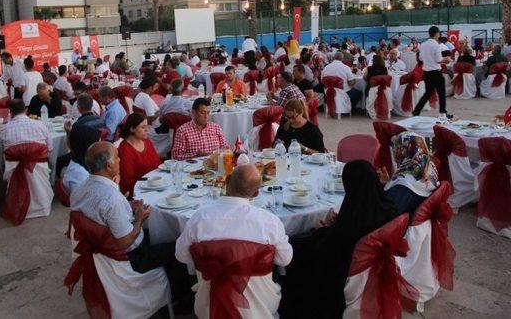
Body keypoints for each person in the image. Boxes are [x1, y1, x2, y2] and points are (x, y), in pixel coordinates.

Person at [70, 141, 191, 304]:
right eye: (118, 157)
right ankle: (180, 299)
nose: (120, 160)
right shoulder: (110, 198)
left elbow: (99, 213)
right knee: (180, 245)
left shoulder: (79, 189)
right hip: (131, 257)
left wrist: (127, 206)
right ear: (108, 165)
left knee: (162, 232)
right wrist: (139, 219)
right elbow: (125, 242)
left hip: (102, 247)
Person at [279, 160, 398, 317]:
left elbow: (326, 250)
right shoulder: (389, 208)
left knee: (295, 249)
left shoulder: (350, 224)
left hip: (343, 273)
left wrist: (320, 231)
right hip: (369, 265)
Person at [176, 163, 293, 317]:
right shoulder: (269, 221)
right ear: (256, 194)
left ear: (227, 180)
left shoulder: (199, 218)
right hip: (259, 307)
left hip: (209, 306)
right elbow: (284, 260)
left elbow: (181, 255)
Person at [377, 132, 439, 215]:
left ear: (404, 150)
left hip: (398, 221)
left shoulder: (405, 183)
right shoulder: (428, 169)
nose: (395, 153)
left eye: (397, 149)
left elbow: (387, 214)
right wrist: (388, 184)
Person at [117, 113, 162, 196]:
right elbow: (127, 181)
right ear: (132, 129)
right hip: (139, 191)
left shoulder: (147, 142)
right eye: (143, 127)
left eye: (147, 126)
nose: (147, 130)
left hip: (155, 185)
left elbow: (158, 164)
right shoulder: (125, 150)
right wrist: (151, 183)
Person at [412, 26, 451, 117]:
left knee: (428, 93)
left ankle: (416, 111)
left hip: (426, 72)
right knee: (441, 93)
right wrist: (446, 59)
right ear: (437, 33)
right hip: (436, 72)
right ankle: (443, 113)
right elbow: (438, 60)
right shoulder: (436, 45)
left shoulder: (423, 45)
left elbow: (421, 58)